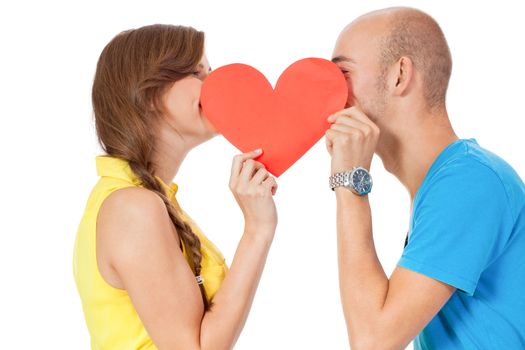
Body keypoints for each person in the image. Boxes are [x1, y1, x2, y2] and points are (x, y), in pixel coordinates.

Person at [325, 7, 525, 349]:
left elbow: (373, 340)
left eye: (341, 71)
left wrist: (349, 182)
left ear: (400, 75)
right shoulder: (449, 182)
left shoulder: (468, 182)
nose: (326, 92)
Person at [73, 24, 278, 350]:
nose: (216, 85)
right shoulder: (133, 208)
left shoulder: (148, 199)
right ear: (150, 93)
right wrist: (258, 229)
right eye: (198, 73)